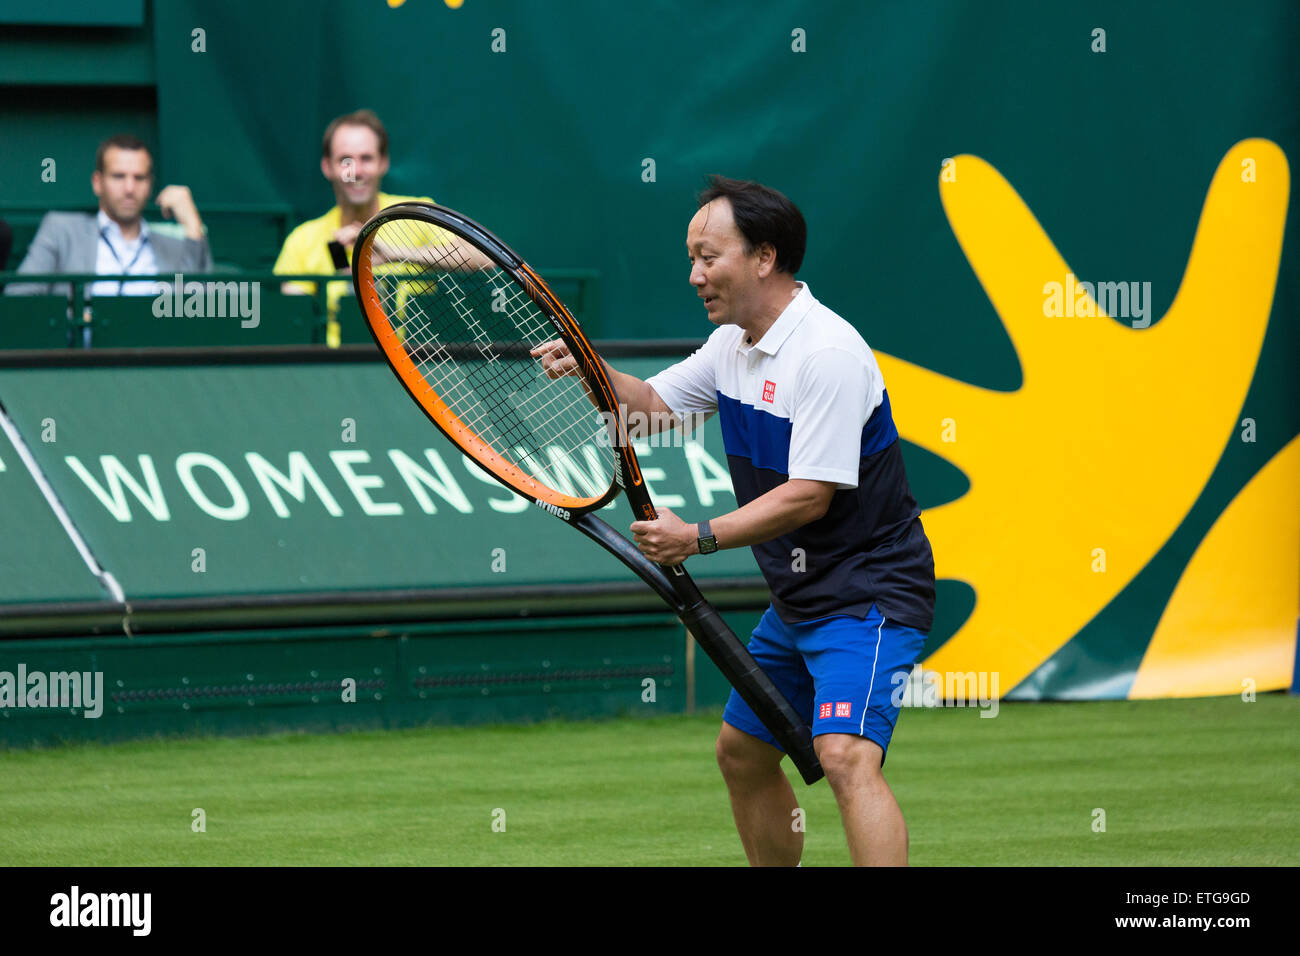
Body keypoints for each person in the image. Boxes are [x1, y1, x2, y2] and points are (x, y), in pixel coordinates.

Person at [534, 177, 935, 866]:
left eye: (708, 256)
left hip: (870, 596)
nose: (695, 275)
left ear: (764, 258)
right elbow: (651, 409)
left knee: (844, 757)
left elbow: (810, 496)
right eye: (691, 258)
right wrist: (589, 369)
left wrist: (698, 536)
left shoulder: (828, 354)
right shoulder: (732, 346)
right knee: (743, 754)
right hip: (800, 599)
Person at [275, 109, 489, 344]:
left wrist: (395, 254)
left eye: (366, 158)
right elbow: (293, 322)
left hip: (413, 366)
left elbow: (483, 256)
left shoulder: (416, 213)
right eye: (345, 160)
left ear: (383, 163)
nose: (356, 171)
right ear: (328, 167)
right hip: (333, 370)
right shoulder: (303, 239)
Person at [4, 134, 211, 298]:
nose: (129, 188)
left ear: (150, 185)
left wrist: (194, 228)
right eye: (118, 176)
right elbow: (19, 297)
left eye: (139, 178)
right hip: (83, 350)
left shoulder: (174, 247)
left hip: (153, 349)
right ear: (97, 182)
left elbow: (203, 309)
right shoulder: (62, 231)